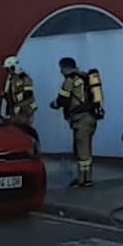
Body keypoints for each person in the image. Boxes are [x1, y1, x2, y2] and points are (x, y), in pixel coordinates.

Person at [49, 57, 103, 188]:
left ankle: (83, 180)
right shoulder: (84, 77)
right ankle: (86, 178)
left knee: (82, 150)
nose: (60, 71)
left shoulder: (70, 79)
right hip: (90, 118)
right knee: (86, 148)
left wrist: (54, 104)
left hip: (81, 119)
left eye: (61, 68)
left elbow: (62, 99)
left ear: (65, 67)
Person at [0, 56, 38, 140]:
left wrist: (14, 98)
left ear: (13, 67)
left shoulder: (24, 78)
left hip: (25, 109)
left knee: (24, 129)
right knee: (16, 129)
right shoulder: (12, 79)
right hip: (15, 110)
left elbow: (28, 93)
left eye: (8, 69)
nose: (8, 71)